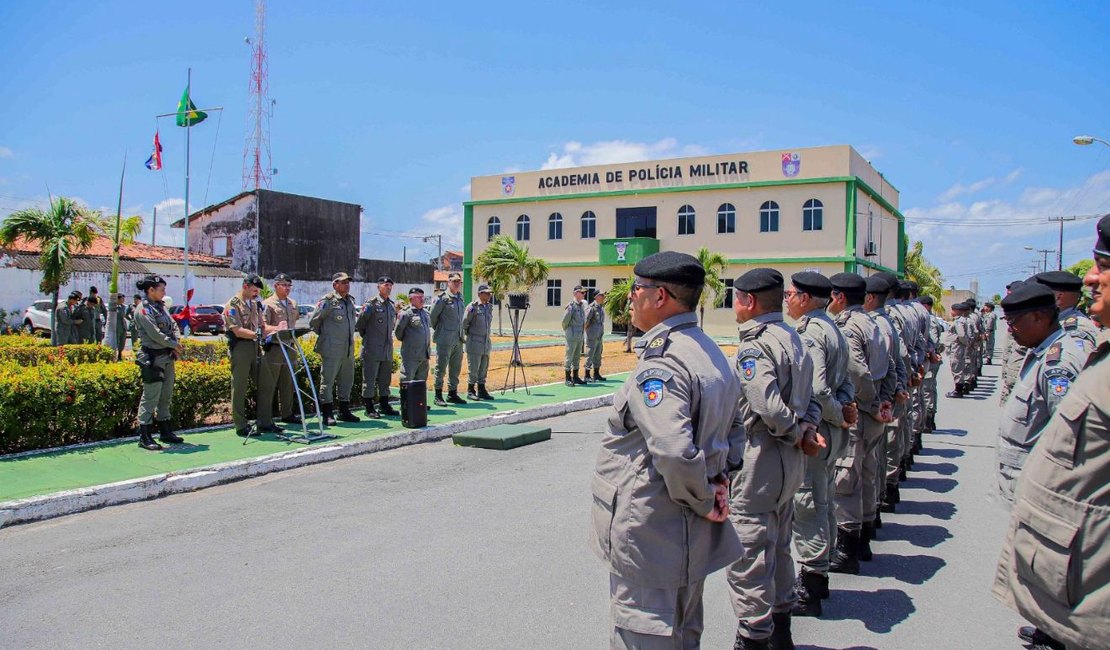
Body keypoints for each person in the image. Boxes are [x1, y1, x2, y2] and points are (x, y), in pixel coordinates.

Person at [589, 251, 743, 649]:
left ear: (660, 296)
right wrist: (720, 479)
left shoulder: (663, 363)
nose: (630, 296)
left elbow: (674, 450)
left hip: (653, 533)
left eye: (636, 288)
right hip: (689, 535)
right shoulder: (709, 350)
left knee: (645, 635)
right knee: (683, 632)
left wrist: (705, 497)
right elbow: (736, 427)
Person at [994, 214, 1110, 650]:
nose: (1092, 278)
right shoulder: (1051, 349)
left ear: (1041, 318)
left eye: (1102, 267)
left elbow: (1070, 435)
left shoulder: (1062, 357)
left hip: (1070, 520)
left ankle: (1053, 627)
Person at [727, 268, 823, 649]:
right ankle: (781, 633)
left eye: (735, 298)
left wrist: (798, 432)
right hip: (790, 464)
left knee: (749, 555)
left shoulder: (755, 347)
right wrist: (807, 430)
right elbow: (813, 399)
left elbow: (767, 407)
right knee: (780, 548)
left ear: (749, 301)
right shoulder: (793, 337)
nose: (734, 305)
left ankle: (753, 637)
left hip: (760, 463)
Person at [785, 272, 854, 618]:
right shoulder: (833, 328)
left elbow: (818, 389)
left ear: (806, 298)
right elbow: (847, 382)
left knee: (809, 502)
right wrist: (844, 410)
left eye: (791, 294)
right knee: (823, 499)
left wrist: (838, 415)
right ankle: (820, 573)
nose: (787, 299)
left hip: (819, 429)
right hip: (832, 427)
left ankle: (811, 585)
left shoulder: (810, 332)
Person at [994, 282, 1085, 505]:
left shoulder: (1058, 365)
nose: (1010, 329)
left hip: (1038, 485)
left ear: (1038, 317)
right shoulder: (1040, 352)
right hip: (1023, 479)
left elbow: (1068, 438)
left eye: (1013, 321)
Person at [827, 272, 891, 576]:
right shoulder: (874, 322)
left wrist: (871, 405)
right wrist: (884, 400)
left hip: (860, 412)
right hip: (873, 412)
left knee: (847, 480)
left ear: (839, 297)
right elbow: (893, 363)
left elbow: (858, 374)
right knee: (866, 473)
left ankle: (847, 550)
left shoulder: (849, 327)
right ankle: (864, 538)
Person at [864, 275, 907, 536]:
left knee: (867, 464)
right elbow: (897, 362)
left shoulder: (876, 324)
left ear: (870, 297)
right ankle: (876, 506)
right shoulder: (886, 321)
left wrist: (879, 401)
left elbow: (864, 372)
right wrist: (895, 390)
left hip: (871, 404)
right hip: (882, 399)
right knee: (876, 457)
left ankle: (871, 512)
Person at [224, 274, 282, 437]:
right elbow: (237, 330)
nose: (257, 294)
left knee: (267, 382)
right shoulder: (233, 305)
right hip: (240, 348)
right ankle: (241, 425)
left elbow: (262, 326)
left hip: (256, 347)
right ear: (245, 287)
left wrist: (278, 328)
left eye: (258, 291)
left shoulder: (256, 304)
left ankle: (265, 422)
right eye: (255, 290)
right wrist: (257, 334)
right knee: (240, 387)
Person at [133, 274, 185, 450]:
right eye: (161, 289)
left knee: (166, 395)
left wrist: (176, 342)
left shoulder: (161, 306)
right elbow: (154, 333)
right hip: (153, 357)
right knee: (151, 396)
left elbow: (173, 325)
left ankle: (165, 431)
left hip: (167, 356)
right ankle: (145, 436)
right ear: (151, 290)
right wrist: (174, 345)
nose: (164, 292)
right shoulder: (144, 309)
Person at [310, 272, 361, 425]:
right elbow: (314, 322)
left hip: (347, 348)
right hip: (332, 348)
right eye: (343, 282)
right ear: (335, 284)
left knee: (346, 380)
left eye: (348, 282)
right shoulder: (328, 301)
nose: (347, 285)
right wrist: (328, 336)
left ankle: (344, 411)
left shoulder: (350, 301)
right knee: (328, 381)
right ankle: (327, 414)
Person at [258, 273, 300, 431]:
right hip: (274, 348)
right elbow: (263, 327)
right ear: (276, 286)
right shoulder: (267, 304)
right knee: (269, 385)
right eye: (284, 285)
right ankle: (265, 420)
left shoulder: (292, 303)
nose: (287, 288)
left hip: (289, 347)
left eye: (289, 285)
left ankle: (287, 414)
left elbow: (294, 322)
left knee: (288, 383)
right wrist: (277, 328)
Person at [356, 276, 400, 418]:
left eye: (390, 285)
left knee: (385, 379)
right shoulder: (371, 304)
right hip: (372, 348)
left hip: (387, 348)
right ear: (378, 287)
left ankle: (384, 404)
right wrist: (370, 338)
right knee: (369, 379)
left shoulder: (391, 305)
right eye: (385, 285)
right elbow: (360, 324)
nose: (388, 287)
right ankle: (369, 407)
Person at [1033, 270, 1099, 352]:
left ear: (1058, 297)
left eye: (1040, 296)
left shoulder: (1073, 330)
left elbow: (1076, 359)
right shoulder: (1058, 323)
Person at [430, 272, 467, 406]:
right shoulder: (441, 298)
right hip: (445, 339)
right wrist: (442, 330)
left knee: (455, 368)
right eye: (454, 281)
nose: (457, 284)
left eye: (459, 282)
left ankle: (452, 393)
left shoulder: (460, 298)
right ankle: (438, 394)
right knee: (441, 367)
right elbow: (432, 318)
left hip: (458, 339)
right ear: (448, 282)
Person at [917, 295, 946, 432]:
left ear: (925, 306)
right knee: (928, 389)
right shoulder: (929, 318)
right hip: (930, 357)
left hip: (929, 359)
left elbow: (932, 341)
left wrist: (930, 352)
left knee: (927, 390)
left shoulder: (929, 319)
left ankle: (928, 420)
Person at [462, 284, 495, 401]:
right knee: (474, 368)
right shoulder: (473, 307)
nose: (489, 295)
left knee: (483, 367)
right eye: (486, 293)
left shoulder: (489, 307)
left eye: (490, 293)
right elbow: (465, 323)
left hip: (485, 342)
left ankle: (481, 389)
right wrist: (470, 334)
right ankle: (471, 390)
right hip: (475, 341)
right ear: (480, 294)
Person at [999, 281, 1030, 404]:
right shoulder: (1016, 317)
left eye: (1010, 294)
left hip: (1020, 380)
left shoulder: (1028, 317)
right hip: (1012, 375)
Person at [395, 287, 432, 386]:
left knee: (420, 383)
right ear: (411, 299)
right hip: (411, 355)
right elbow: (398, 333)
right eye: (418, 297)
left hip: (424, 355)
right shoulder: (406, 313)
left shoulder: (425, 313)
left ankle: (418, 397)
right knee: (407, 380)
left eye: (422, 297)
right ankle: (406, 397)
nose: (422, 299)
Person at [944, 302, 973, 397]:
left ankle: (958, 390)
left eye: (952, 310)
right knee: (957, 366)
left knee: (956, 367)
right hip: (958, 346)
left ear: (956, 311)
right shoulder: (962, 320)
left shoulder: (959, 321)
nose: (951, 312)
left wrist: (965, 343)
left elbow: (961, 335)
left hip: (957, 347)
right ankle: (959, 389)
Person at [562, 285, 587, 386]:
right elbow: (565, 321)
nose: (584, 294)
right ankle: (568, 378)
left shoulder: (581, 305)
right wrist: (568, 331)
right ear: (576, 293)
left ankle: (575, 377)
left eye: (584, 292)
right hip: (572, 335)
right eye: (582, 292)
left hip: (579, 335)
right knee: (569, 356)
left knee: (577, 357)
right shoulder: (571, 306)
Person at [584, 289, 607, 382]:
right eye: (601, 295)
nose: (603, 297)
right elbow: (586, 322)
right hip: (592, 335)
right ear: (596, 297)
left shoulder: (600, 307)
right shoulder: (591, 308)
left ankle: (596, 374)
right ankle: (587, 374)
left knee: (598, 354)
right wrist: (588, 332)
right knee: (590, 354)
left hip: (599, 335)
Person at [109, 293, 128, 360]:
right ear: (118, 299)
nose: (123, 300)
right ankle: (113, 355)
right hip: (116, 326)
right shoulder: (114, 307)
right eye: (122, 299)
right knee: (116, 341)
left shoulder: (123, 307)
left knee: (122, 341)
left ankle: (120, 354)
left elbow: (124, 316)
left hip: (123, 326)